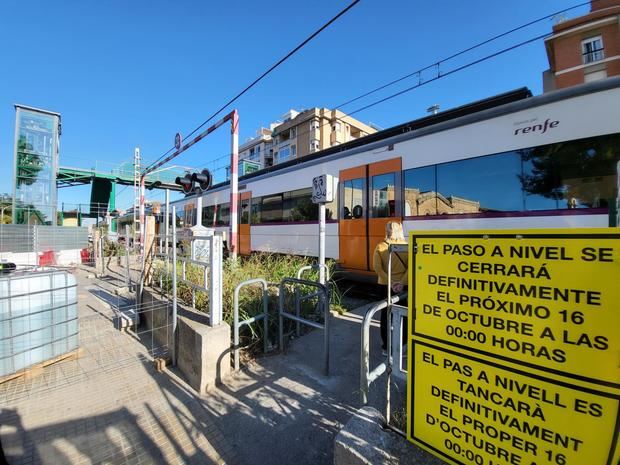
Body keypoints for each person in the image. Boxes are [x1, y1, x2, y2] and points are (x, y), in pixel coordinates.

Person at [372, 221, 408, 354]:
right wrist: (401, 282)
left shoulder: (380, 247)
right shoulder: (406, 247)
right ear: (400, 230)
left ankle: (386, 348)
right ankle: (402, 347)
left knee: (386, 316)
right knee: (404, 316)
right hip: (404, 287)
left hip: (385, 286)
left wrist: (391, 282)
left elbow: (377, 268)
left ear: (386, 231)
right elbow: (411, 266)